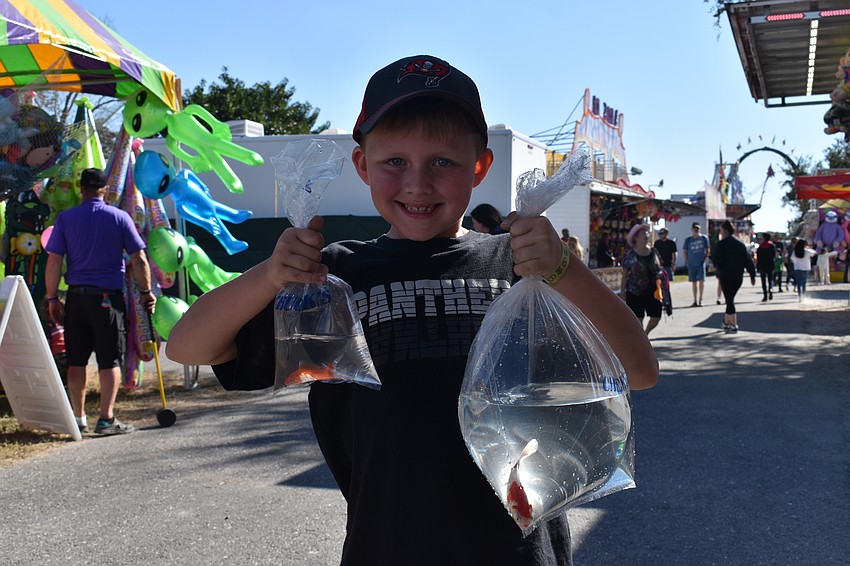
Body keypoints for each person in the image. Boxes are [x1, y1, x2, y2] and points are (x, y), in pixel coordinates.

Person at [166, 54, 658, 565]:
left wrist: (565, 270)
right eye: (394, 162)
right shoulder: (332, 279)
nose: (417, 183)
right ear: (362, 166)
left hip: (519, 553)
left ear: (480, 166)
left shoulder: (522, 270)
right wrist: (270, 274)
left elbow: (639, 371)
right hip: (385, 546)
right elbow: (189, 345)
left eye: (443, 162)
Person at [44, 168, 156, 435]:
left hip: (76, 297)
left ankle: (78, 418)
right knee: (109, 361)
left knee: (76, 361)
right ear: (105, 189)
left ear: (81, 189)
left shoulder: (65, 219)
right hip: (107, 299)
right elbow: (139, 258)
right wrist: (146, 291)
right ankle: (105, 419)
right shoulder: (119, 218)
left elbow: (54, 261)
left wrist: (52, 299)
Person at [710, 220, 755, 334]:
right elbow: (747, 260)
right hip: (737, 276)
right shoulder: (740, 245)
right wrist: (752, 275)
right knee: (729, 298)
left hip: (725, 275)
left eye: (721, 231)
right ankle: (726, 322)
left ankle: (734, 324)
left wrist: (717, 268)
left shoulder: (720, 245)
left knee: (729, 300)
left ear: (724, 231)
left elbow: (714, 260)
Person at [620, 223, 663, 336]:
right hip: (634, 292)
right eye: (643, 234)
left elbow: (660, 267)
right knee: (637, 320)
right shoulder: (630, 254)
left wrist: (660, 273)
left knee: (656, 316)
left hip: (653, 291)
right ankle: (641, 341)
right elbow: (625, 274)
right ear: (635, 237)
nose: (646, 236)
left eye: (646, 234)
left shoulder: (654, 252)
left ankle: (646, 333)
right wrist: (623, 293)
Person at [682, 221, 710, 307]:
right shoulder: (688, 239)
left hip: (700, 263)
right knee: (693, 282)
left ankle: (700, 299)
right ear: (692, 229)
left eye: (697, 229)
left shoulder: (704, 238)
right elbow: (685, 250)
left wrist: (704, 259)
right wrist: (687, 260)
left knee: (701, 281)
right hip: (691, 263)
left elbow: (707, 250)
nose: (696, 230)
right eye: (694, 229)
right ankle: (694, 300)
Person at [755, 232, 777, 302]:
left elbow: (758, 258)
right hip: (770, 265)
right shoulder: (772, 246)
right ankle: (770, 289)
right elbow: (774, 256)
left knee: (763, 281)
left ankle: (765, 296)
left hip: (762, 266)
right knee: (770, 280)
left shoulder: (760, 247)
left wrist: (758, 268)